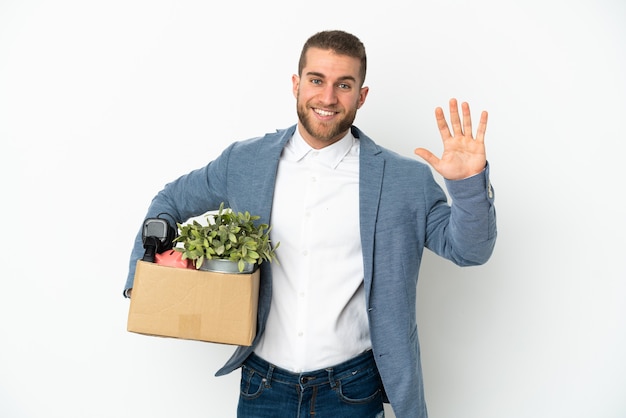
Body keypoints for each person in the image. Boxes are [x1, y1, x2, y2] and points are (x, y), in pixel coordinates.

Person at [124, 30, 496, 418]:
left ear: (361, 96)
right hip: (262, 387)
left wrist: (467, 184)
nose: (328, 97)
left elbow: (469, 250)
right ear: (296, 84)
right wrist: (146, 280)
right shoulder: (245, 162)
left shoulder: (404, 180)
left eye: (344, 85)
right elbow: (170, 202)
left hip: (353, 389)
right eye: (317, 80)